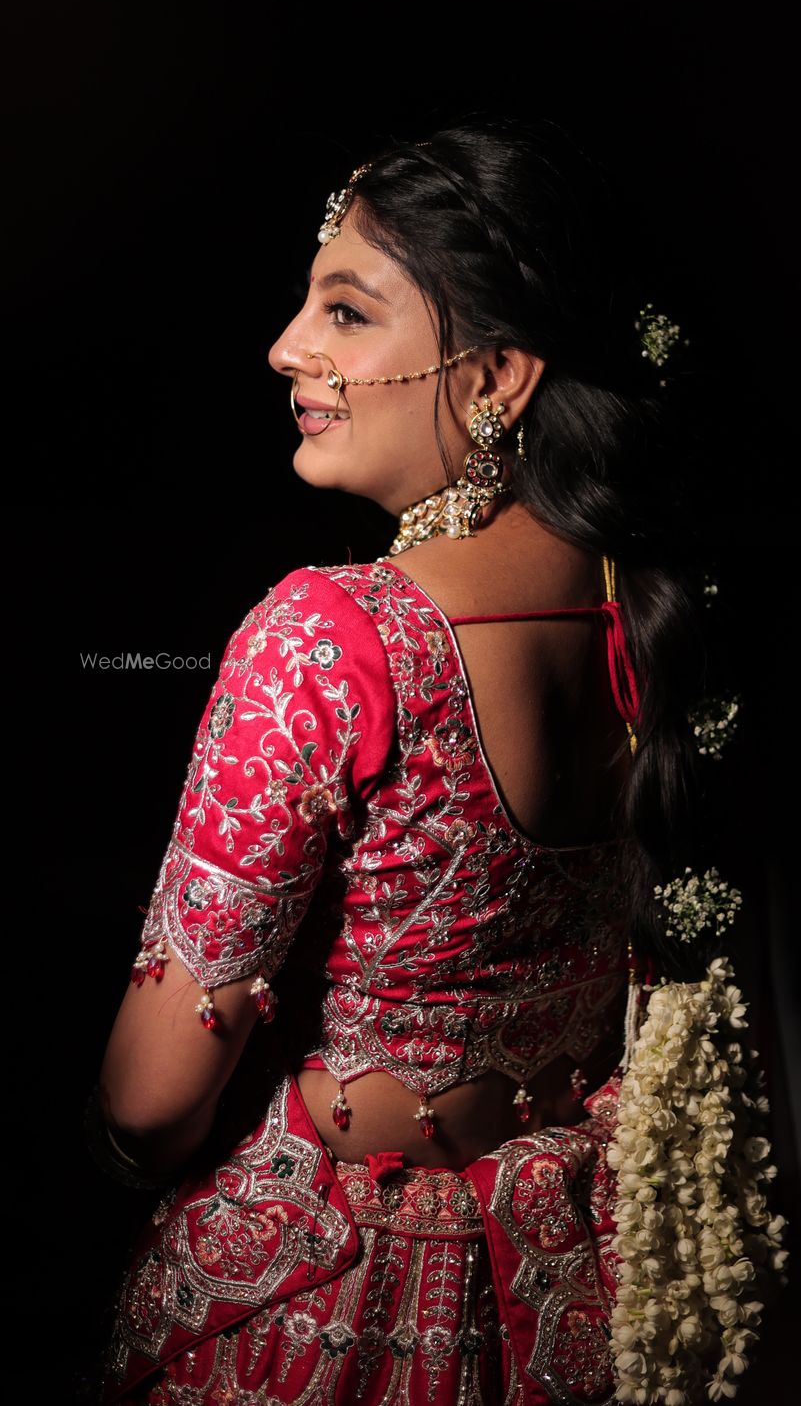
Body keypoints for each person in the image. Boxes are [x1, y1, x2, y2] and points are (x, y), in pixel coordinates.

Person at [91, 117, 716, 1404]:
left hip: (331, 1298)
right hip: (564, 1287)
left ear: (496, 376)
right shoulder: (643, 615)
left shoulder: (329, 639)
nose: (288, 348)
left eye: (347, 311)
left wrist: (133, 1166)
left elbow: (151, 1097)